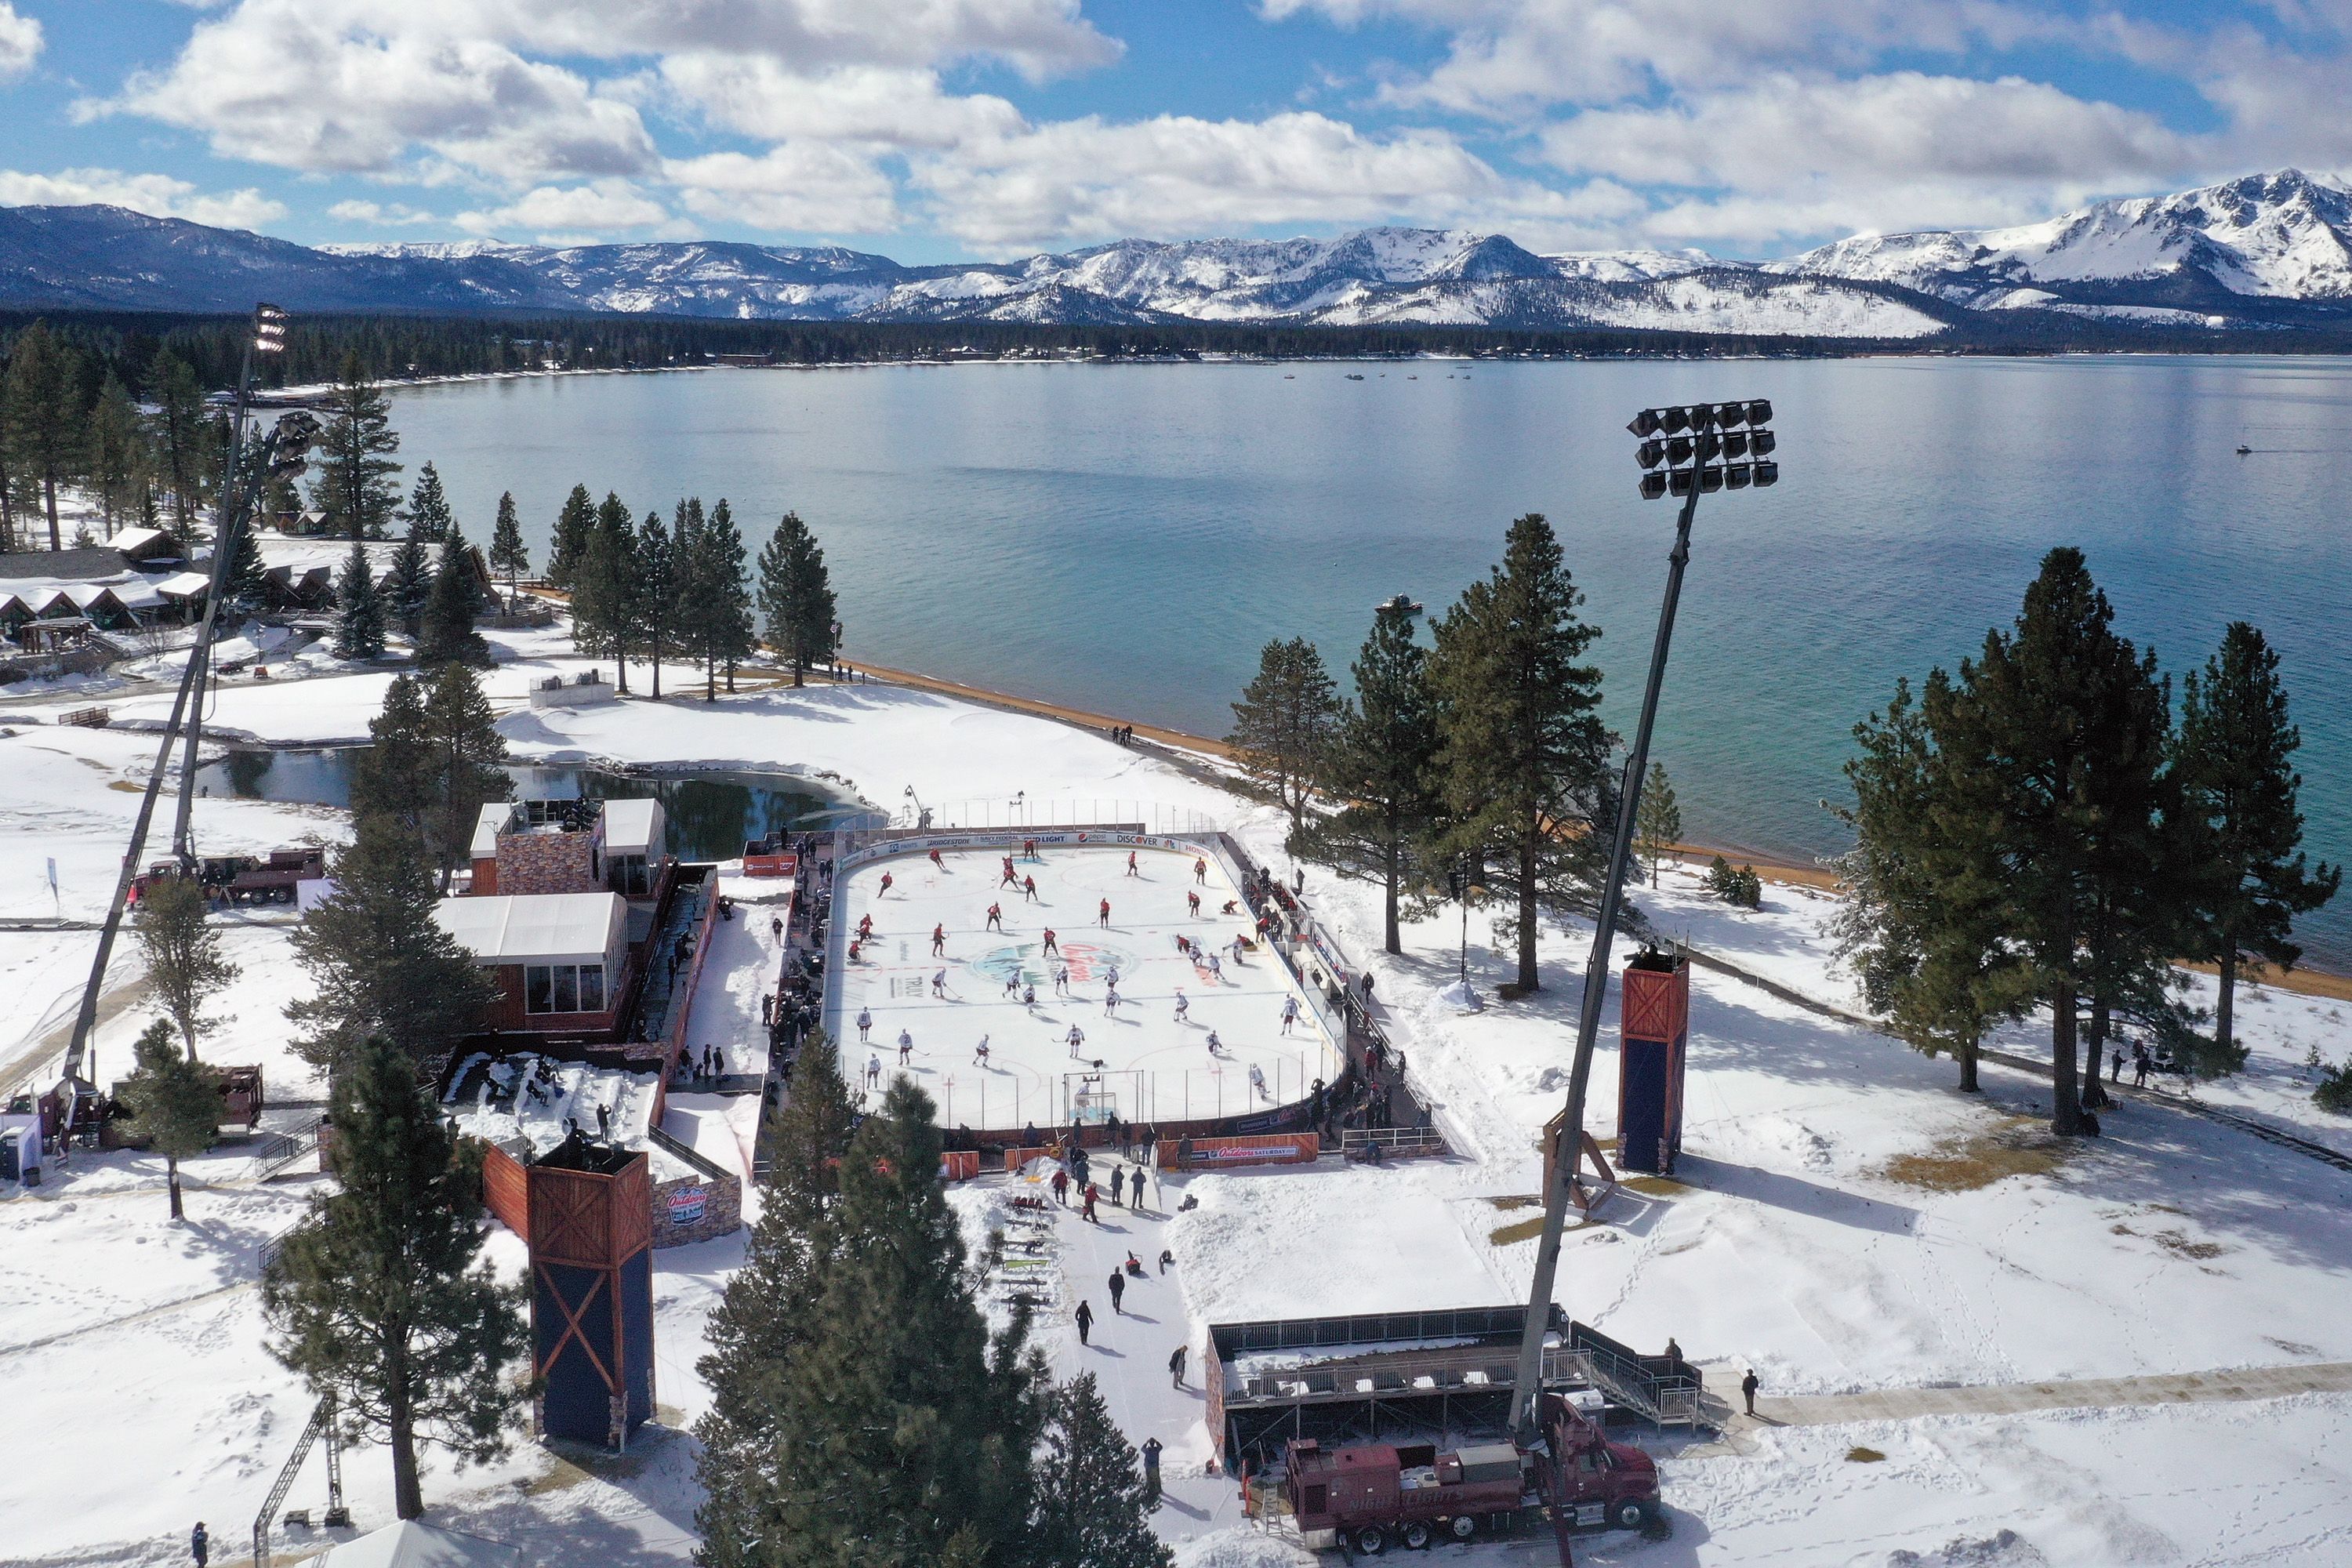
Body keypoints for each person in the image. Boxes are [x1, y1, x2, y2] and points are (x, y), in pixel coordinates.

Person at [1140, 1437, 1163, 1507]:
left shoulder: (1147, 1450)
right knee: (1157, 1478)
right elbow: (1161, 1447)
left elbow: (1142, 1449)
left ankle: (1151, 1489)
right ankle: (1158, 1489)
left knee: (1149, 1478)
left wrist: (1146, 1443)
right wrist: (1157, 1442)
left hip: (1148, 1467)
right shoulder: (1156, 1450)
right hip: (1155, 1466)